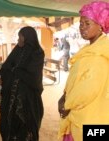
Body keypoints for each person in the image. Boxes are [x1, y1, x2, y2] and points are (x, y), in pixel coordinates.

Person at [58, 1, 109, 141]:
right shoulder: (89, 50)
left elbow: (88, 89)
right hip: (84, 118)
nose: (82, 28)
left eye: (87, 23)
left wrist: (66, 104)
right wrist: (64, 95)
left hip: (90, 122)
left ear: (100, 26)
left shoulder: (99, 56)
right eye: (81, 24)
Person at [0, 26, 45, 141]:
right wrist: (16, 70)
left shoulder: (37, 53)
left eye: (20, 37)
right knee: (10, 127)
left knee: (26, 130)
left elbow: (33, 77)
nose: (18, 39)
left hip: (28, 101)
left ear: (27, 38)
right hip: (11, 99)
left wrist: (15, 70)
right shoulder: (18, 50)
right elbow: (5, 67)